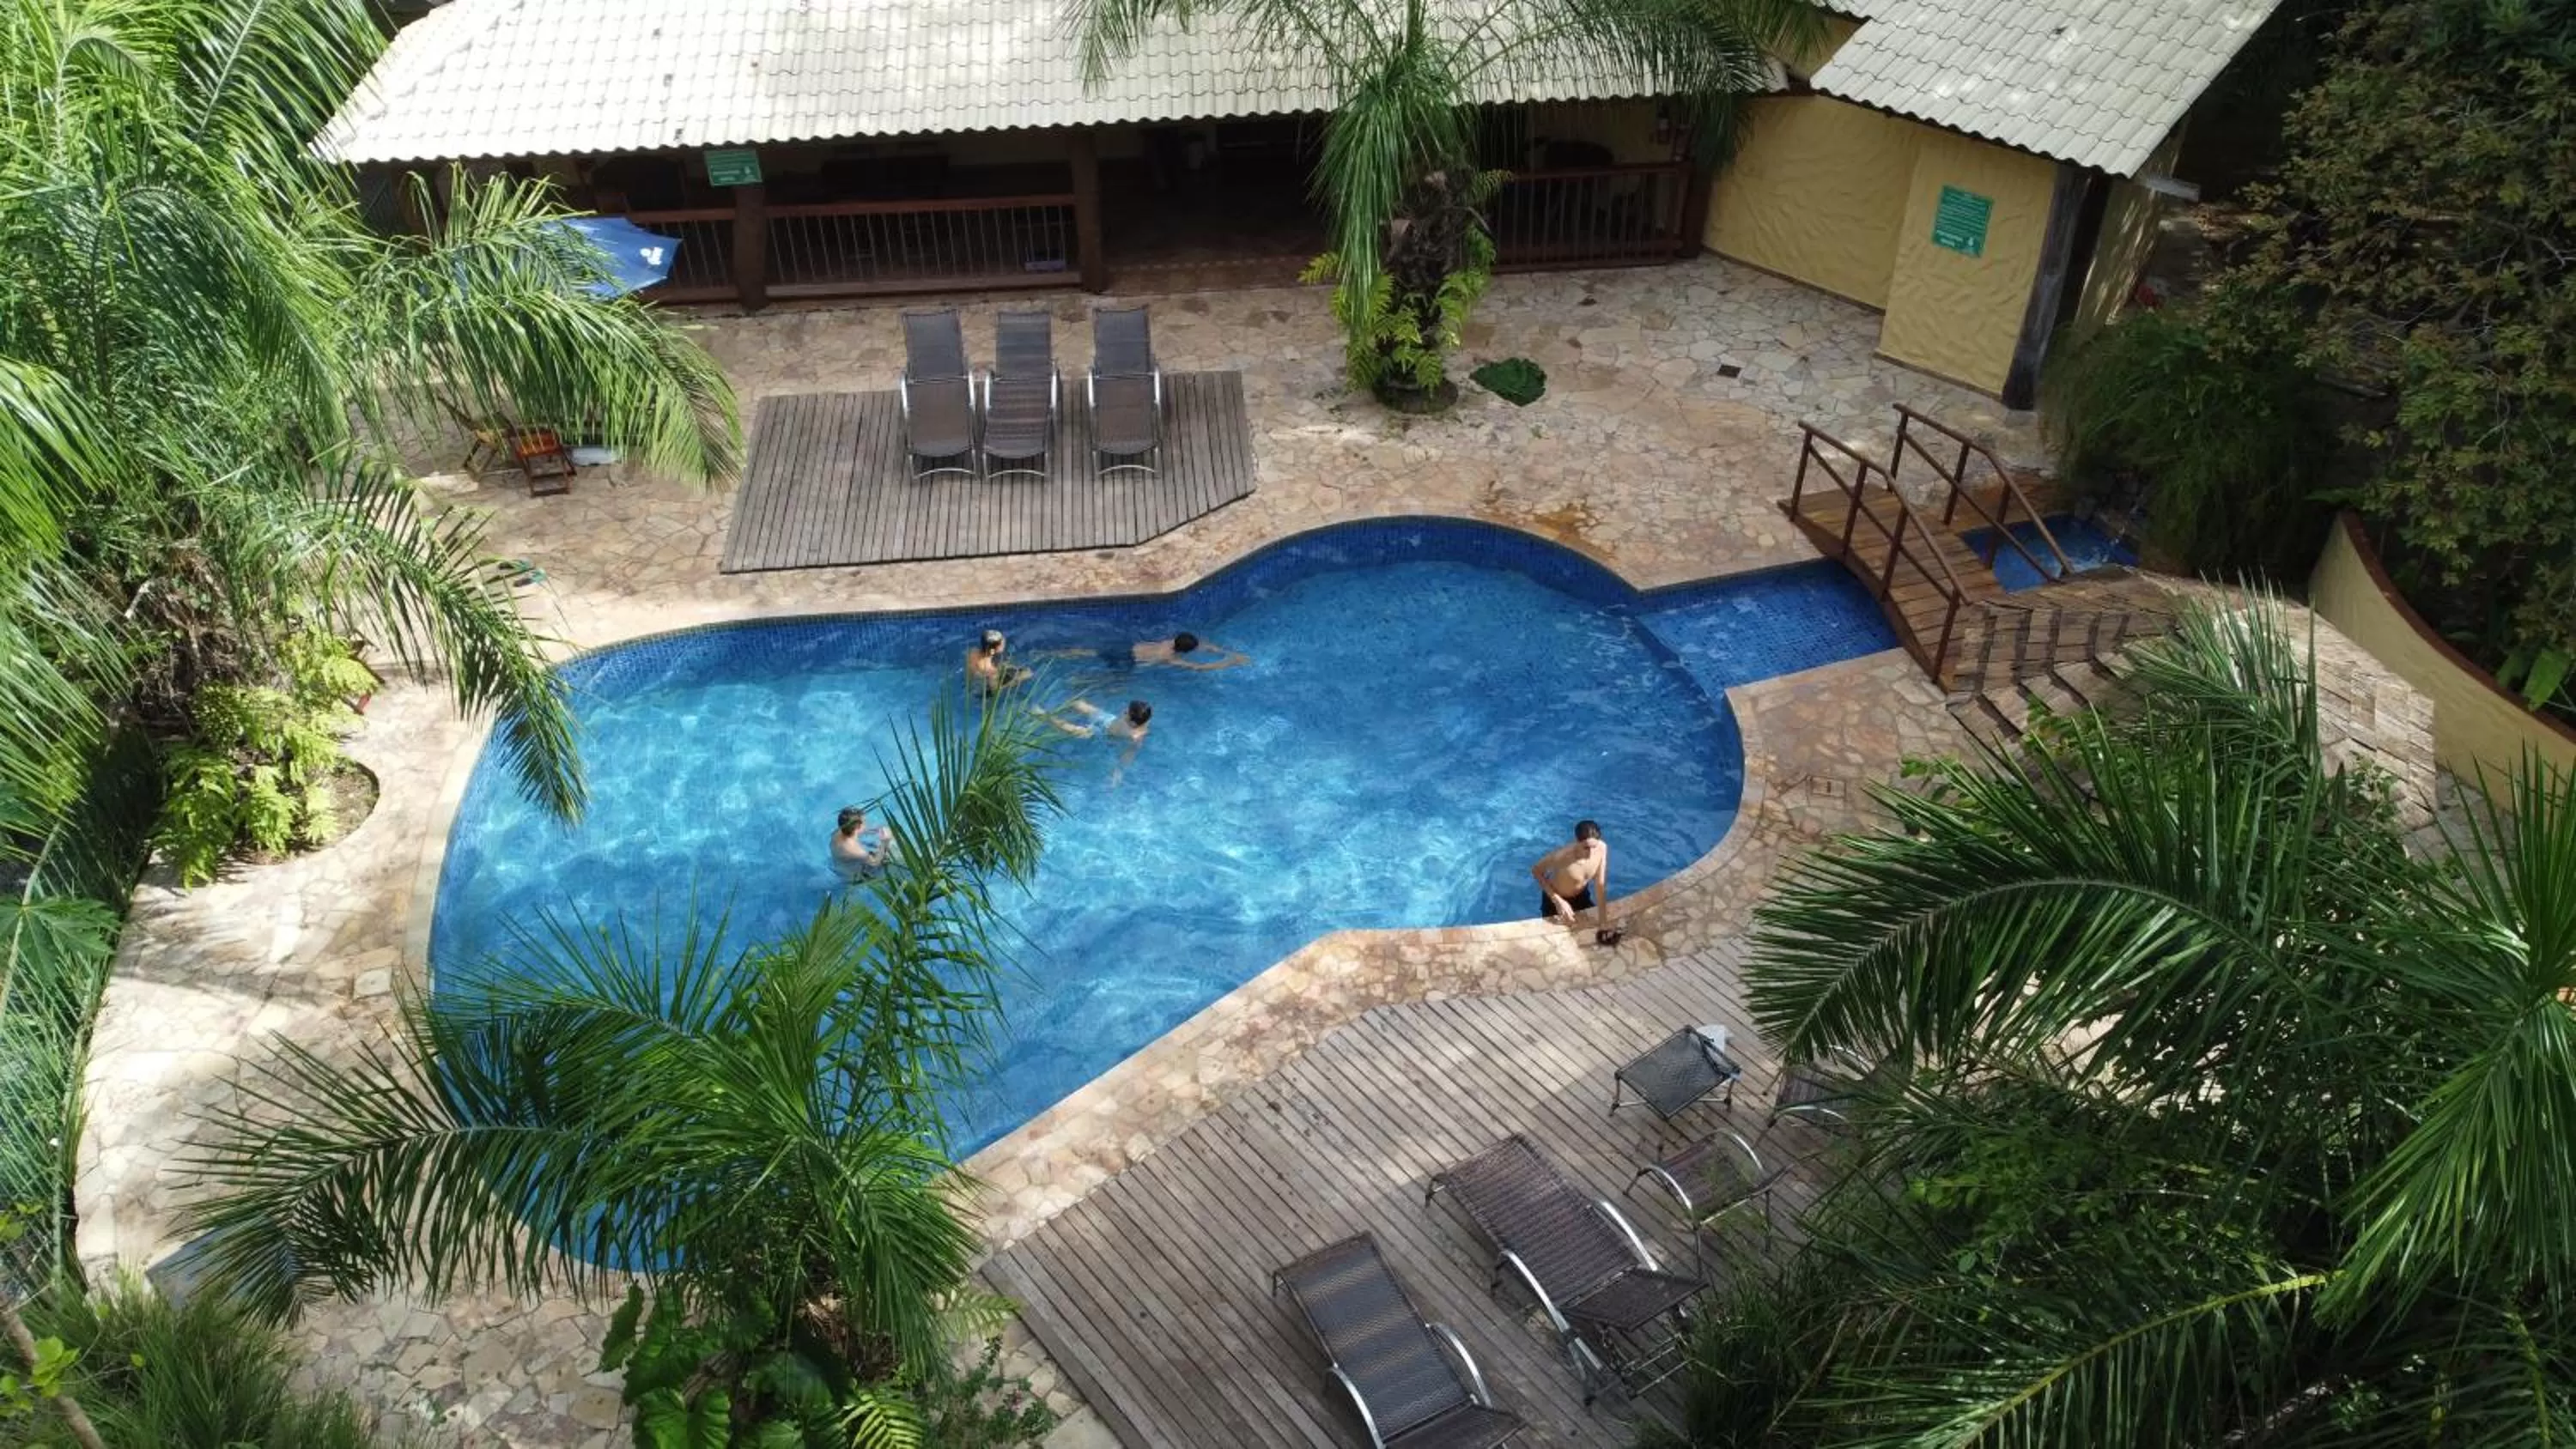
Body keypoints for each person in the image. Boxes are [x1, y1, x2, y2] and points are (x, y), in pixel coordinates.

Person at [1531, 820, 1619, 942]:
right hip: (1555, 901)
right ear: (1576, 842)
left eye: (1594, 847)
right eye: (1586, 848)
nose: (1591, 853)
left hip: (1582, 896)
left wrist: (1603, 922)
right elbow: (1536, 871)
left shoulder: (1602, 848)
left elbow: (1600, 885)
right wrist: (1558, 901)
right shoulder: (1562, 856)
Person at [1044, 698, 1152, 785]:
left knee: (1071, 730)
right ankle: (1059, 708)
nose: (1124, 711)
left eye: (1127, 712)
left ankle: (1041, 714)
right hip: (1108, 720)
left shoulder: (1136, 736)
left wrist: (1119, 770)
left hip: (1102, 734)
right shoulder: (1142, 718)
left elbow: (1131, 751)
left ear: (1133, 723)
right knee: (1079, 704)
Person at [829, 805, 896, 883]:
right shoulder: (857, 851)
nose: (866, 824)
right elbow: (874, 862)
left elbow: (856, 829)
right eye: (865, 822)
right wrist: (885, 841)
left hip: (843, 864)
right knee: (889, 860)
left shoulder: (838, 833)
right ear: (858, 827)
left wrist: (875, 830)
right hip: (852, 875)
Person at [1129, 632, 1250, 671]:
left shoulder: (1172, 642)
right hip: (1131, 662)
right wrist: (1232, 662)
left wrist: (1229, 653)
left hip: (1134, 647)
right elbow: (1200, 668)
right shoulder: (1169, 658)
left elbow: (1205, 646)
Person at [964, 628, 1031, 697]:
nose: (1004, 644)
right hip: (983, 691)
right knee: (1027, 673)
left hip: (972, 685)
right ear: (994, 650)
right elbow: (995, 691)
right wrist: (1015, 682)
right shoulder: (990, 671)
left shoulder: (972, 652)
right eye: (1002, 644)